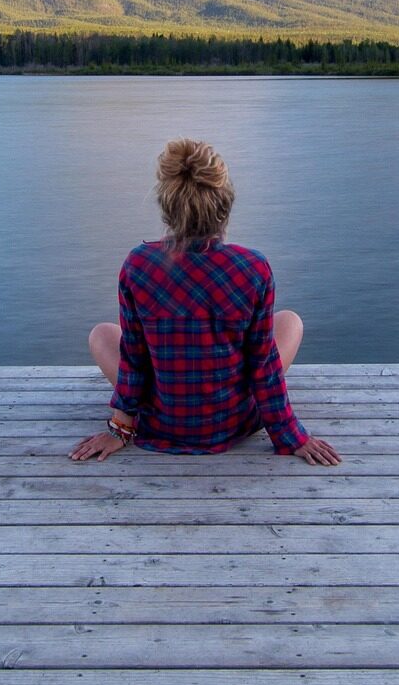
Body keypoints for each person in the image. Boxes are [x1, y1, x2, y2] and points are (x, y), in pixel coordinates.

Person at [70, 138, 341, 466]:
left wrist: (119, 429)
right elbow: (263, 365)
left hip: (160, 422)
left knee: (102, 334)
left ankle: (144, 417)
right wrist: (291, 436)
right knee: (290, 322)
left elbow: (134, 359)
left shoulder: (138, 265)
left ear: (167, 207)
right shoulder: (253, 268)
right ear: (225, 205)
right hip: (231, 423)